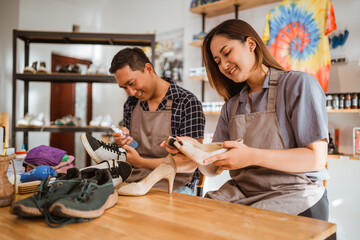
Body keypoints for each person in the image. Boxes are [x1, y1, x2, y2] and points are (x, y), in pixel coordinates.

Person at [164, 19, 329, 220]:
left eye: (227, 53)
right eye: (217, 61)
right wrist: (193, 150)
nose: (223, 65)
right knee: (191, 221)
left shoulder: (298, 85)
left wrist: (251, 156)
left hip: (294, 195)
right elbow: (213, 168)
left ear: (251, 44)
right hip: (244, 194)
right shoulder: (231, 106)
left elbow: (315, 158)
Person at [108, 47, 205, 195]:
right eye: (124, 88)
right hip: (137, 180)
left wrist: (140, 162)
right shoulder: (131, 104)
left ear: (148, 69)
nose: (131, 92)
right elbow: (133, 147)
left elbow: (191, 163)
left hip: (174, 184)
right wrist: (123, 141)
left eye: (132, 83)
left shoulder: (186, 103)